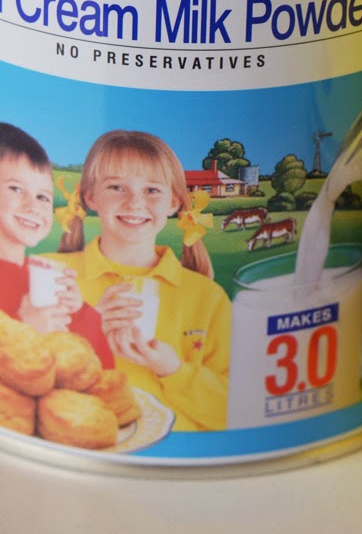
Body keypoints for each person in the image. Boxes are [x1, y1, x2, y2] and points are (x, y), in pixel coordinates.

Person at [55, 129, 229, 432]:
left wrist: (174, 370)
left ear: (175, 202)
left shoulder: (207, 296)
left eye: (152, 190)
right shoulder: (54, 275)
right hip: (76, 441)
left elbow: (236, 410)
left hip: (183, 455)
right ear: (90, 196)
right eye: (116, 187)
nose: (134, 203)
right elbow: (18, 381)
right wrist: (88, 335)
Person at [0, 122, 113, 367]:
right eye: (16, 188)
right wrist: (25, 330)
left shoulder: (42, 279)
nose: (33, 206)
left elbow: (100, 367)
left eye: (43, 197)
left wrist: (78, 313)